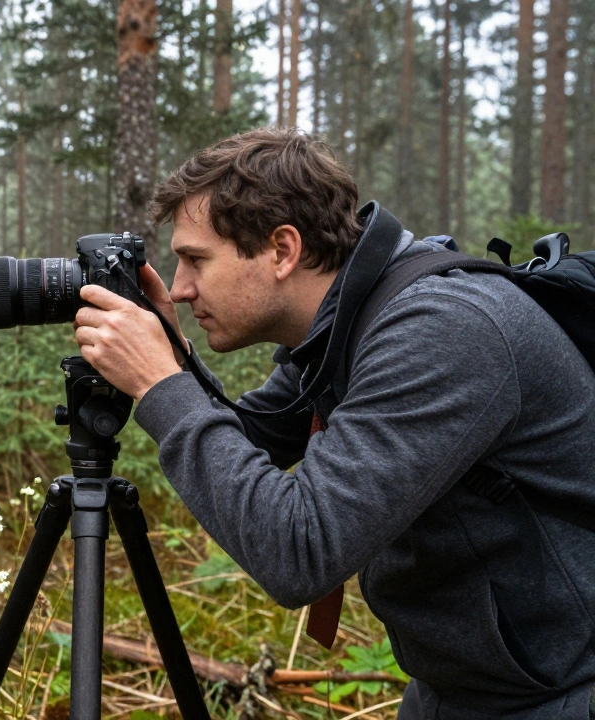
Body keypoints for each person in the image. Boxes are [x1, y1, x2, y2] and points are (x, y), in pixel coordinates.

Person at [72, 127, 595, 720]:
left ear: (283, 250)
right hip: (464, 687)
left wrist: (160, 384)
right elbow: (249, 439)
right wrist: (171, 352)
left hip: (562, 692)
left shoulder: (439, 333)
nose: (183, 287)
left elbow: (299, 551)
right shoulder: (347, 324)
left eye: (195, 259)